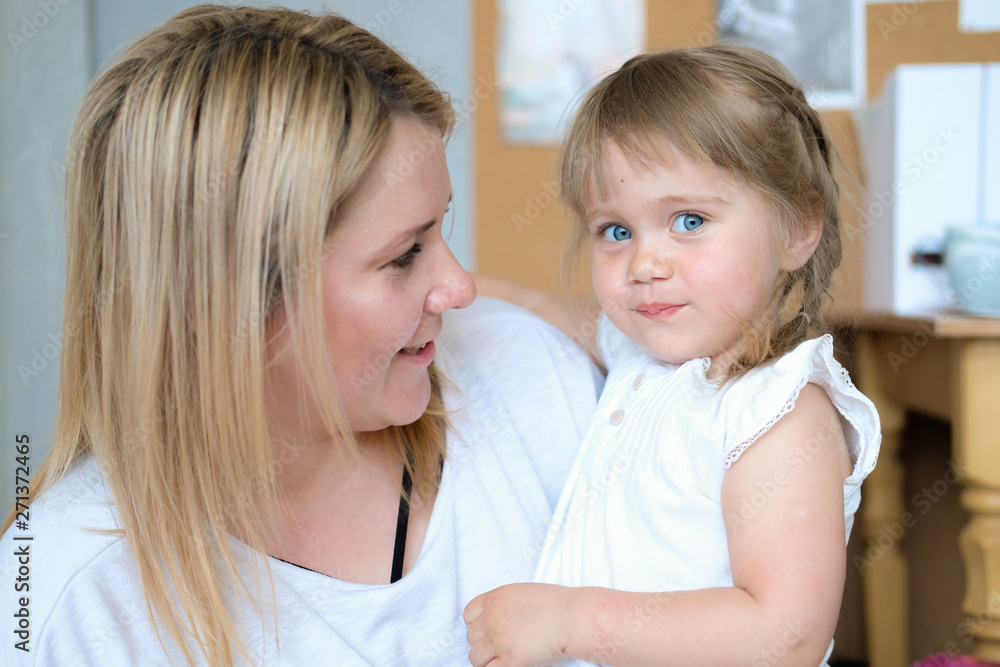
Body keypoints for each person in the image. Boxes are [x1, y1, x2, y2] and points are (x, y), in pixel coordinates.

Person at [0, 6, 602, 665]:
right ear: (219, 300)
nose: (459, 287)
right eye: (403, 254)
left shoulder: (530, 379)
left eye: (440, 229)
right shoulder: (65, 596)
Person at [464, 44, 881, 667]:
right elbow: (536, 306)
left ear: (797, 229)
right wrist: (443, 289)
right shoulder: (641, 353)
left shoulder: (778, 411)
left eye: (688, 221)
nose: (645, 264)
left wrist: (572, 620)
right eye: (617, 231)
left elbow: (785, 635)